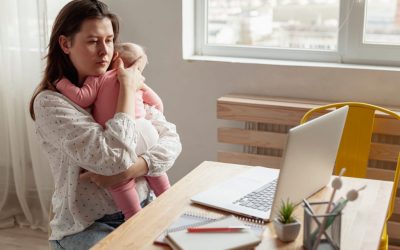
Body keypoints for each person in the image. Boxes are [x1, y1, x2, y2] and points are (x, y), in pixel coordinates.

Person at [28, 0, 182, 249]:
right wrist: (128, 90)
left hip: (146, 205)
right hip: (88, 225)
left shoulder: (116, 81)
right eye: (93, 41)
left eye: (109, 40)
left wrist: (132, 171)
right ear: (66, 44)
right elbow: (113, 159)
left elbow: (171, 141)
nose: (105, 51)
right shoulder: (50, 104)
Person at [56, 42, 170, 220]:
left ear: (114, 57)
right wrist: (146, 117)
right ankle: (169, 201)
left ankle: (133, 216)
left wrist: (61, 82)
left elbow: (81, 98)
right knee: (155, 171)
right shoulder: (137, 82)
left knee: (119, 180)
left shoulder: (99, 77)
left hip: (124, 133)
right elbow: (157, 104)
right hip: (146, 129)